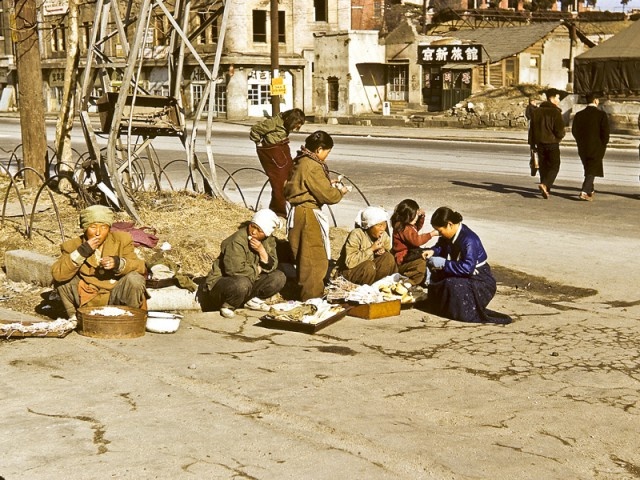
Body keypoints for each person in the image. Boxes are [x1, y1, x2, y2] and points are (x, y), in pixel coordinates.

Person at [51, 205, 148, 320]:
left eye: (104, 227)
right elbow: (58, 274)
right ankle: (76, 319)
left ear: (109, 228)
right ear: (85, 228)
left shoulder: (121, 240)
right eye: (93, 227)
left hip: (116, 295)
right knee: (63, 279)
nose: (98, 232)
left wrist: (118, 263)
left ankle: (130, 320)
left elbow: (140, 266)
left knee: (135, 279)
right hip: (88, 298)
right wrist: (82, 252)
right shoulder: (72, 245)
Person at [283, 131, 348, 301]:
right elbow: (328, 196)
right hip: (307, 215)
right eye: (328, 151)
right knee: (313, 261)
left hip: (299, 213)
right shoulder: (312, 165)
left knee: (306, 259)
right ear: (319, 149)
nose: (327, 155)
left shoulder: (302, 160)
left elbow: (305, 185)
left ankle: (310, 296)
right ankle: (312, 300)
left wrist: (328, 183)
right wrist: (339, 192)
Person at [421, 207, 511, 325]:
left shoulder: (469, 239)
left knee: (451, 284)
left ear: (450, 224)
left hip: (480, 280)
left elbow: (467, 268)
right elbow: (441, 246)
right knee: (438, 277)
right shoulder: (450, 235)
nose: (440, 234)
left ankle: (462, 311)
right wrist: (433, 251)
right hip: (464, 273)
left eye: (440, 231)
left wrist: (444, 264)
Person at [200, 209, 286, 318]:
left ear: (266, 233)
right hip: (223, 284)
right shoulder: (237, 241)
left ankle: (253, 302)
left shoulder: (269, 240)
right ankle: (228, 305)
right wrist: (258, 270)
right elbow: (234, 270)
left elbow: (273, 263)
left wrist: (262, 251)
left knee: (279, 277)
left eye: (259, 230)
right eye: (253, 226)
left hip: (248, 280)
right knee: (242, 284)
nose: (253, 231)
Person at [249, 108, 306, 218]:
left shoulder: (284, 123)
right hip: (273, 153)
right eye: (297, 124)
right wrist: (259, 143)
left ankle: (287, 208)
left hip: (282, 149)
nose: (298, 127)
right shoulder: (273, 123)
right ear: (291, 120)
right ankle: (278, 212)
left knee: (290, 177)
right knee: (279, 184)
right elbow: (255, 130)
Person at [336, 206, 398, 285]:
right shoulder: (357, 234)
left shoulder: (384, 236)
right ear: (369, 226)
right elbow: (350, 262)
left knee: (388, 257)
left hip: (371, 272)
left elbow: (390, 256)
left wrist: (382, 251)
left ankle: (378, 286)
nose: (383, 229)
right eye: (379, 225)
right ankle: (364, 290)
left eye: (384, 225)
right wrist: (371, 249)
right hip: (351, 272)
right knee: (369, 266)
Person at [571, 93, 610, 202]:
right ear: (596, 101)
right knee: (592, 169)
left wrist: (580, 141)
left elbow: (575, 131)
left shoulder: (579, 115)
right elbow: (605, 133)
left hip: (583, 146)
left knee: (588, 167)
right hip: (597, 146)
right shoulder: (601, 115)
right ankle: (584, 191)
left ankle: (590, 190)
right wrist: (603, 144)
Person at [528, 88, 566, 199]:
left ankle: (545, 189)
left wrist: (532, 144)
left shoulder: (536, 112)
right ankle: (545, 185)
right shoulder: (555, 112)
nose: (558, 100)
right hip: (552, 143)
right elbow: (559, 130)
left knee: (543, 166)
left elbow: (532, 129)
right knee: (555, 166)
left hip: (539, 143)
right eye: (558, 98)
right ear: (552, 98)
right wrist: (560, 136)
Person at [390, 199, 438, 286]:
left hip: (409, 254)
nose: (416, 216)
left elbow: (415, 230)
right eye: (415, 215)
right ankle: (410, 282)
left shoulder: (406, 225)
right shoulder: (403, 228)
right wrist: (431, 234)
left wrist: (421, 217)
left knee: (429, 252)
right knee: (421, 264)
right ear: (408, 216)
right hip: (403, 258)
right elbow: (416, 240)